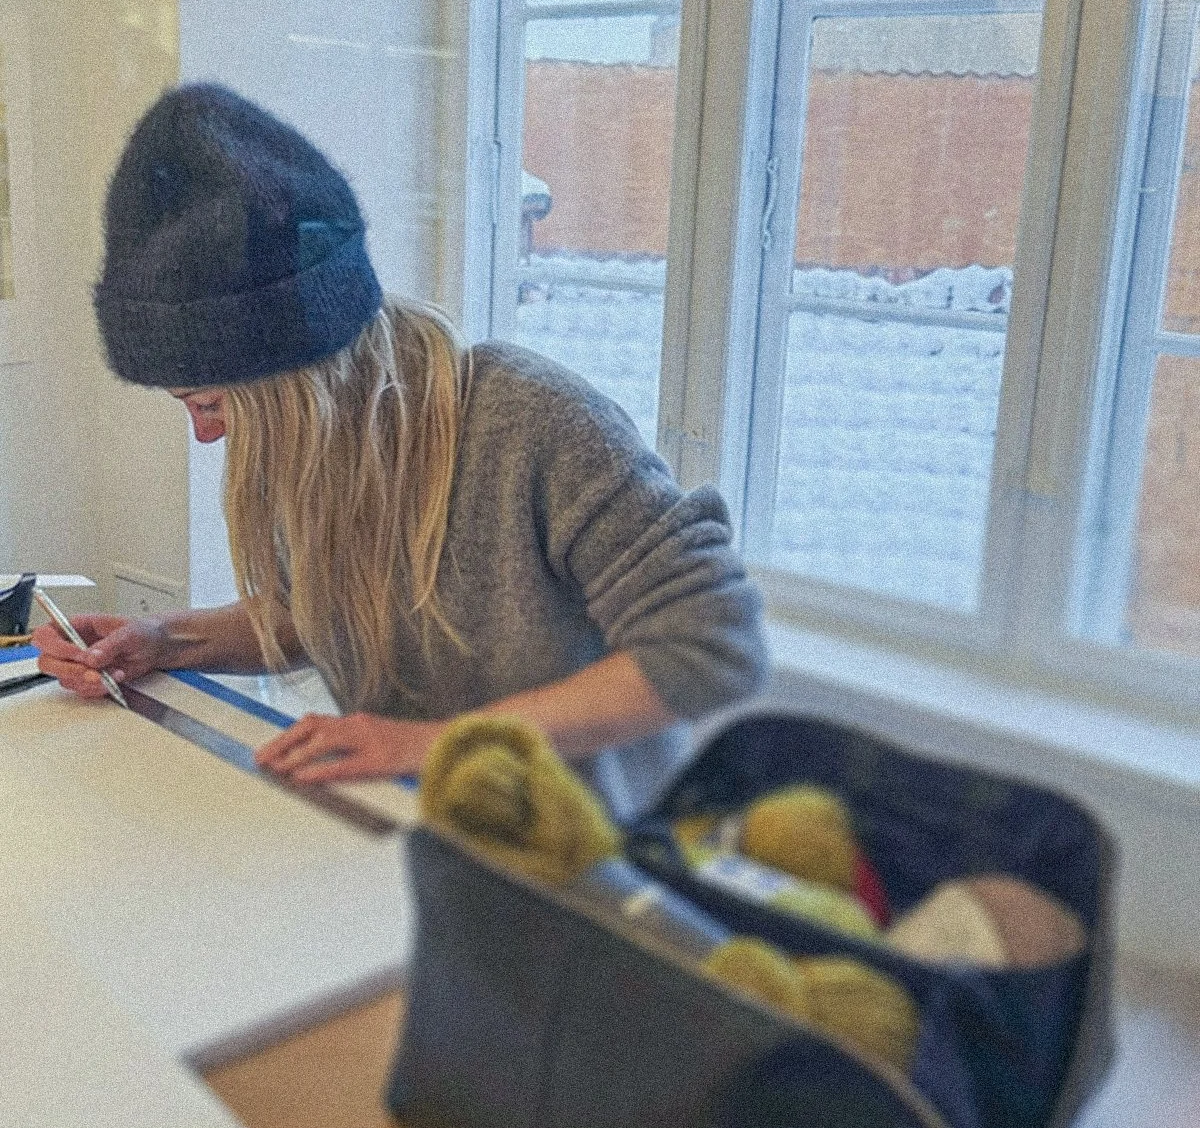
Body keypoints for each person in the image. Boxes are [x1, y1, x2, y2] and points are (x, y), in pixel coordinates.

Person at [34, 84, 767, 798]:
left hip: (584, 861)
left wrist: (432, 741)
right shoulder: (312, 447)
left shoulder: (533, 422)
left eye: (211, 401)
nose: (204, 436)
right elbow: (308, 616)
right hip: (420, 831)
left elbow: (713, 642)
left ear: (296, 373)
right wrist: (163, 639)